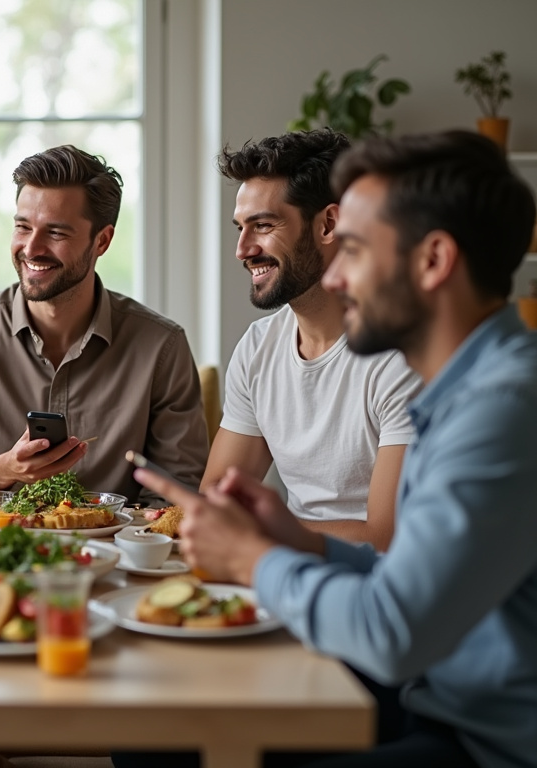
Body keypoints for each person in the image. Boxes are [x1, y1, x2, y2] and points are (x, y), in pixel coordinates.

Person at [126, 130, 537, 768]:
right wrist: (304, 543)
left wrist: (257, 558)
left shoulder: (501, 409)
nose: (338, 276)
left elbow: (392, 629)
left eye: (356, 250)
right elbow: (410, 579)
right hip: (436, 695)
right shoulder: (465, 388)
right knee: (155, 743)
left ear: (433, 261)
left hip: (485, 740)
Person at [0, 144, 208, 516]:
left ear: (102, 241)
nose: (32, 248)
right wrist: (2, 470)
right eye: (23, 227)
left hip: (114, 548)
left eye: (56, 233)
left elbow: (180, 492)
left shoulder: (161, 346)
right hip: (0, 546)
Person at [207, 130, 420, 549]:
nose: (242, 250)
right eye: (240, 228)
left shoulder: (401, 357)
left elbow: (385, 537)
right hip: (287, 564)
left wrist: (266, 528)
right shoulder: (257, 347)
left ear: (329, 225)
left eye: (263, 225)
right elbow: (216, 498)